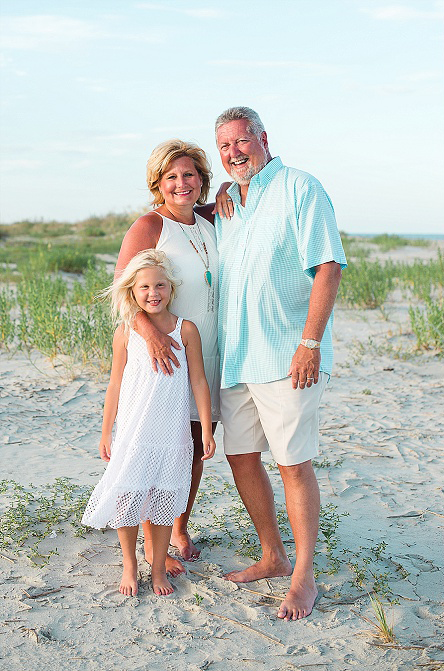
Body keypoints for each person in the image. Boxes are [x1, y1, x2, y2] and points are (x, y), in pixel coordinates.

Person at [213, 106, 346, 620]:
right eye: (224, 147)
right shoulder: (229, 204)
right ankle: (272, 554)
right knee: (241, 457)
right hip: (237, 357)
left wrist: (310, 342)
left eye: (240, 142)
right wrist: (219, 194)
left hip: (289, 354)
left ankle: (303, 577)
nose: (233, 154)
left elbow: (328, 265)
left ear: (263, 138)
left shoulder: (299, 187)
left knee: (293, 463)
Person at [81, 250, 215, 596]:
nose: (153, 293)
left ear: (171, 288)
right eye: (144, 288)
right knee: (127, 497)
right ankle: (130, 564)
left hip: (171, 432)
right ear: (132, 292)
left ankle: (158, 570)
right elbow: (114, 384)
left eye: (160, 285)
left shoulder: (186, 330)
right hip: (133, 431)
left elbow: (198, 381)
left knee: (162, 500)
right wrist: (105, 431)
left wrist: (207, 427)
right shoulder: (126, 333)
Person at [115, 140, 221, 574]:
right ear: (158, 182)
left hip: (206, 349)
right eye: (172, 176)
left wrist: (228, 195)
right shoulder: (148, 226)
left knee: (193, 445)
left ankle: (178, 526)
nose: (182, 183)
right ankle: (148, 541)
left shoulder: (211, 221)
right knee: (156, 443)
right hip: (164, 355)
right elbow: (124, 292)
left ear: (202, 180)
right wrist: (152, 336)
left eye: (190, 174)